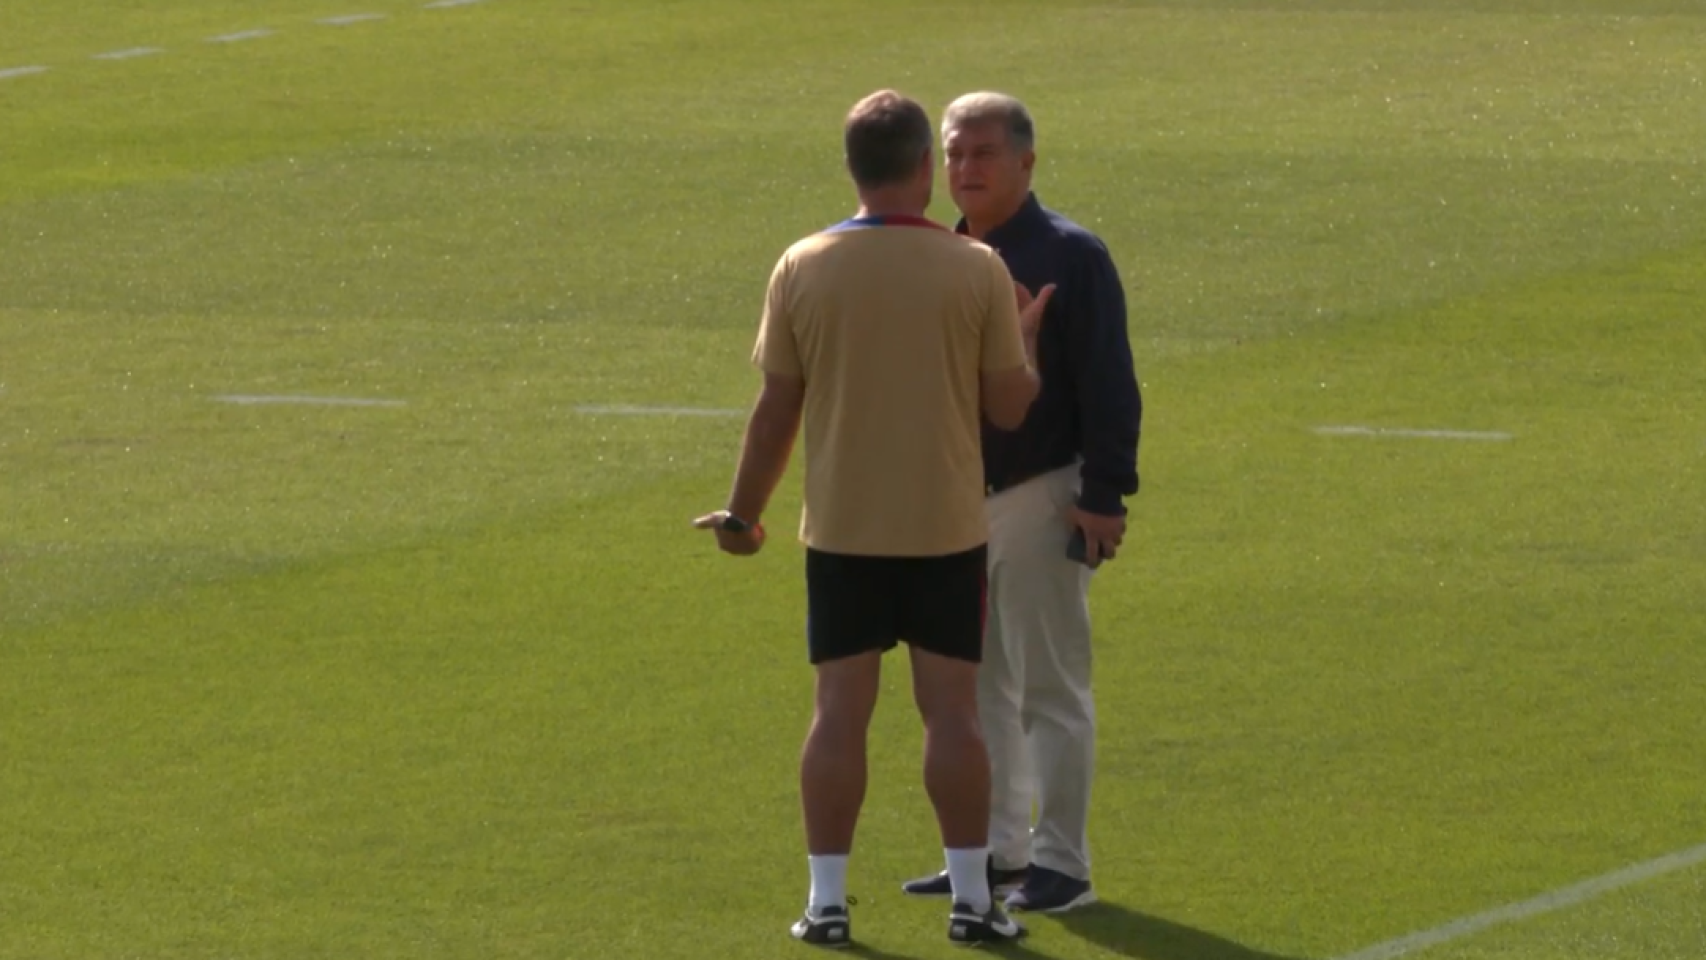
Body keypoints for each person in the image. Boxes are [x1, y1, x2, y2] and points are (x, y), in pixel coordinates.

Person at [693, 89, 1054, 948]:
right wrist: (1026, 345)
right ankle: (973, 899)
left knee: (838, 714)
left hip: (844, 532)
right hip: (944, 531)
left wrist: (744, 515)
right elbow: (1009, 409)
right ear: (926, 168)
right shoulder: (978, 271)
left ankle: (826, 903)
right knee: (955, 716)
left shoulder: (803, 264)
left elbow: (775, 407)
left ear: (853, 168)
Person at [899, 91, 1142, 914]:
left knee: (1049, 687)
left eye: (984, 154)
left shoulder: (1072, 254)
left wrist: (1105, 495)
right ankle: (997, 854)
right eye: (955, 154)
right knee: (975, 692)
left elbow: (1111, 383)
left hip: (1042, 496)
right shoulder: (939, 253)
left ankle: (1062, 864)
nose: (966, 170)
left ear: (1026, 162)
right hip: (956, 504)